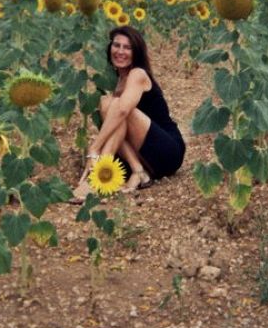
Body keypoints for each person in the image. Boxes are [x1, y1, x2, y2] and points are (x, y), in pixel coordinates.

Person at [73, 25, 185, 200]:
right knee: (107, 103)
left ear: (136, 52)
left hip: (167, 150)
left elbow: (124, 110)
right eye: (116, 45)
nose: (120, 51)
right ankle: (138, 171)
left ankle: (100, 173)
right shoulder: (117, 81)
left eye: (127, 47)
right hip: (143, 157)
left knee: (115, 105)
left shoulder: (138, 74)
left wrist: (94, 148)